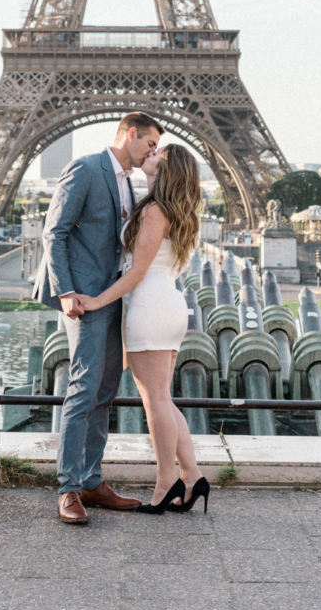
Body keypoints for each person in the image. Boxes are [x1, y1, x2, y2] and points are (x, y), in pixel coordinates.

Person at [35, 111, 162, 525]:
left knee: (105, 388)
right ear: (130, 134)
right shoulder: (86, 168)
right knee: (84, 386)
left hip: (111, 297)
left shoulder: (129, 181)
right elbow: (55, 232)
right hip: (84, 297)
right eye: (149, 143)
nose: (152, 151)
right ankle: (68, 488)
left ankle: (92, 480)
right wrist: (67, 290)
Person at [71, 143, 208, 515]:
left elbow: (136, 272)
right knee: (164, 398)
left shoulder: (153, 211)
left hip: (149, 306)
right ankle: (193, 476)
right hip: (169, 304)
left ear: (164, 168)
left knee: (155, 401)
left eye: (156, 152)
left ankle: (166, 482)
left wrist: (97, 301)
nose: (150, 152)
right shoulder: (177, 210)